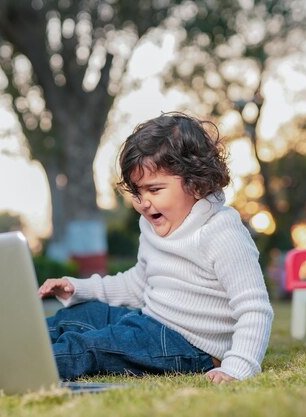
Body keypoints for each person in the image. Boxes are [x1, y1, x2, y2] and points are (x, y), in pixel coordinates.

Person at [39, 112, 274, 384]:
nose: (143, 202)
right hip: (149, 321)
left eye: (154, 189)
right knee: (75, 317)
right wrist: (79, 289)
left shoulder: (221, 231)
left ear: (196, 184)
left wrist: (237, 367)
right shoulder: (151, 226)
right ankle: (0, 344)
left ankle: (21, 367)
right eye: (138, 192)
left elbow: (254, 307)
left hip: (190, 346)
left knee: (90, 346)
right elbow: (139, 285)